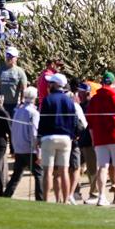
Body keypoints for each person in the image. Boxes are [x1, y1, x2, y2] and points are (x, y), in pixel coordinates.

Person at [87, 71, 115, 206]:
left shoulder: (94, 99)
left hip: (100, 137)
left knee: (102, 167)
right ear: (113, 83)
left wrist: (93, 138)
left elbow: (90, 122)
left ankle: (101, 197)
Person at [38, 72, 78, 203]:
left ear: (56, 85)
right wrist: (72, 136)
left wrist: (39, 137)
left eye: (51, 83)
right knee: (64, 171)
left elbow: (42, 121)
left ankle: (45, 201)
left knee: (48, 171)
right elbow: (74, 121)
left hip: (49, 137)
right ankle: (65, 201)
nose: (48, 85)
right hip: (66, 138)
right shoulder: (69, 100)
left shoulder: (48, 99)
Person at [5, 86, 42, 201]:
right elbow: (34, 132)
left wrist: (14, 147)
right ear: (34, 97)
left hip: (19, 148)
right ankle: (40, 199)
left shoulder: (18, 111)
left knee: (16, 175)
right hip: (29, 148)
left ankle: (6, 196)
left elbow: (14, 130)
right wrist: (38, 150)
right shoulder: (34, 113)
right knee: (39, 174)